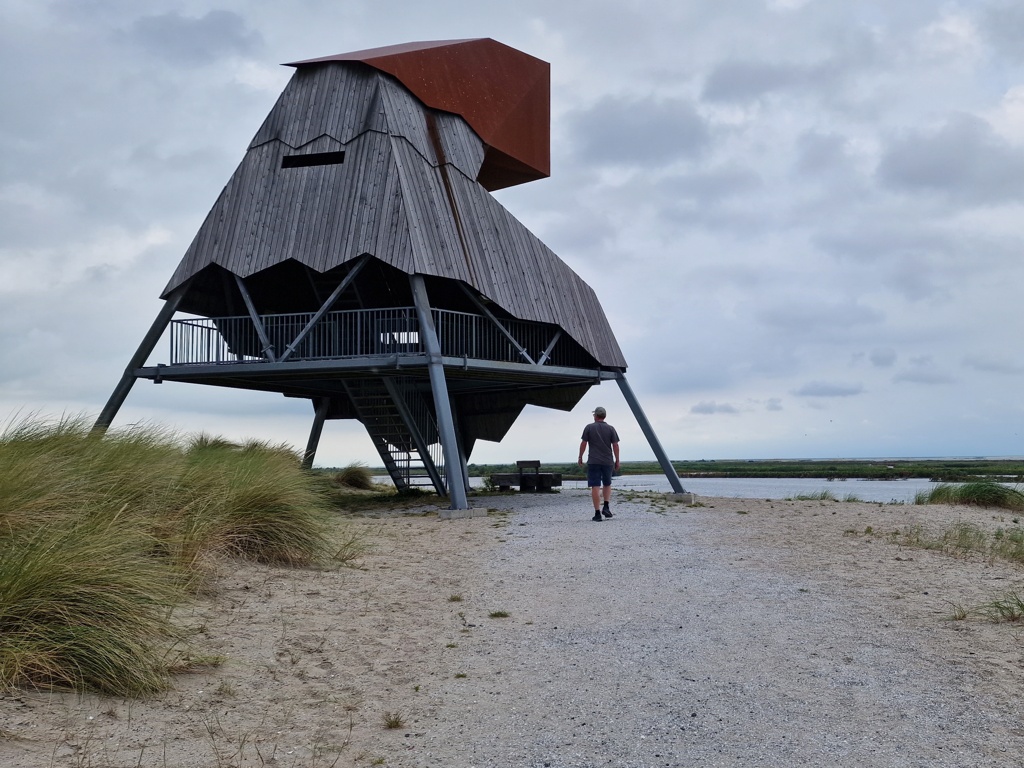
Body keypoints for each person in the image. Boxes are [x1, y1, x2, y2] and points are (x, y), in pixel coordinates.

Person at [578, 406, 620, 521]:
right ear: (604, 416)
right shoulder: (611, 429)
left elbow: (583, 443)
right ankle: (606, 507)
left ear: (595, 416)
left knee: (595, 486)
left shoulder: (589, 427)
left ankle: (597, 513)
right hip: (607, 461)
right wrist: (617, 460)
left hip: (593, 460)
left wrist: (580, 456)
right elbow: (615, 445)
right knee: (607, 483)